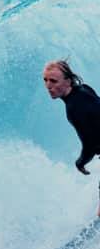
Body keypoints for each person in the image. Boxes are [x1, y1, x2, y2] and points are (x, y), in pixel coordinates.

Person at [44, 58, 100, 218]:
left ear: (68, 81)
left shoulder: (74, 109)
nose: (48, 86)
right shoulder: (84, 89)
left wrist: (80, 162)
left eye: (54, 81)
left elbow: (90, 144)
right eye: (45, 80)